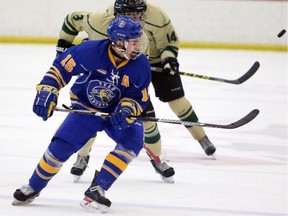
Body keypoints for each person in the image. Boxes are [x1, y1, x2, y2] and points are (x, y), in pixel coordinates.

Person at [56, 0, 216, 184]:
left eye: (139, 14)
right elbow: (72, 20)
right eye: (133, 15)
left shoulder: (141, 39)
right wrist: (63, 46)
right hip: (98, 79)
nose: (139, 19)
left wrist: (168, 59)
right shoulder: (98, 20)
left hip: (126, 82)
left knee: (147, 120)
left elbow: (137, 71)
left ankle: (158, 159)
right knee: (87, 118)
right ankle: (83, 156)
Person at [12, 16, 151, 213]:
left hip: (115, 113)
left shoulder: (141, 65)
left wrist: (128, 108)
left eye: (139, 41)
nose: (138, 46)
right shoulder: (90, 51)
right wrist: (48, 89)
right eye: (133, 42)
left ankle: (97, 189)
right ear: (118, 42)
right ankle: (34, 186)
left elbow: (140, 97)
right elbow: (60, 68)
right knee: (60, 148)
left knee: (133, 142)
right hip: (86, 108)